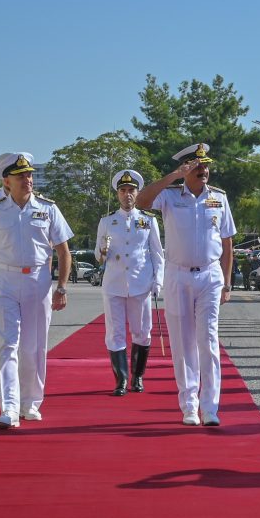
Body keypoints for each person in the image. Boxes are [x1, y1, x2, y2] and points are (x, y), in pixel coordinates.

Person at [135, 143, 235, 427]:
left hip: (210, 275)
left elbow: (227, 243)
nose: (204, 171)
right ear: (186, 169)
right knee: (182, 342)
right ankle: (189, 404)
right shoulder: (168, 196)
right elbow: (141, 201)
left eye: (206, 166)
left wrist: (227, 283)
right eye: (198, 166)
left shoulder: (219, 198)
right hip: (178, 275)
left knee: (208, 340)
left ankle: (210, 407)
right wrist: (172, 176)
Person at [0, 152, 73, 429]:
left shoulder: (48, 208)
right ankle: (9, 408)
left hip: (38, 283)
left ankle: (31, 403)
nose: (28, 179)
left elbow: (64, 252)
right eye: (21, 176)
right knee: (8, 344)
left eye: (29, 174)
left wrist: (61, 287)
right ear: (7, 181)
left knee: (34, 347)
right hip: (4, 281)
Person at [94, 169, 165, 396]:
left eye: (131, 190)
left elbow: (157, 254)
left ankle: (138, 376)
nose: (127, 195)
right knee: (114, 332)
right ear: (117, 194)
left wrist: (158, 281)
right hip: (114, 283)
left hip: (140, 284)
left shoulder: (148, 221)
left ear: (137, 193)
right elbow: (98, 255)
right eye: (123, 191)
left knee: (142, 331)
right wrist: (102, 252)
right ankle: (121, 379)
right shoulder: (107, 221)